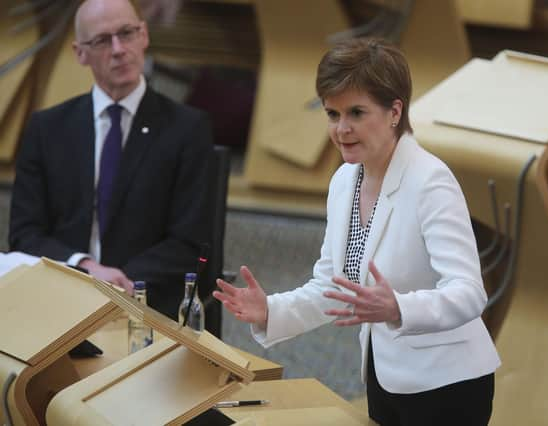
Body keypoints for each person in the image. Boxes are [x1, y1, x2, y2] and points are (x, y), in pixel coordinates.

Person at [213, 38, 500, 425]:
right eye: (332, 114)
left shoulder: (431, 182)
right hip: (385, 378)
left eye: (356, 113)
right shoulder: (345, 181)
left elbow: (469, 293)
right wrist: (271, 311)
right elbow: (333, 288)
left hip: (447, 384)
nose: (341, 129)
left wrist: (399, 307)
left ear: (395, 111)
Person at [9, 0, 212, 319]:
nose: (118, 49)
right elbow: (25, 234)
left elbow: (190, 241)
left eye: (127, 33)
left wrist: (118, 283)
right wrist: (85, 268)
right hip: (61, 301)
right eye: (103, 40)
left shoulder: (188, 129)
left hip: (148, 304)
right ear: (80, 53)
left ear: (143, 35)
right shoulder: (47, 129)